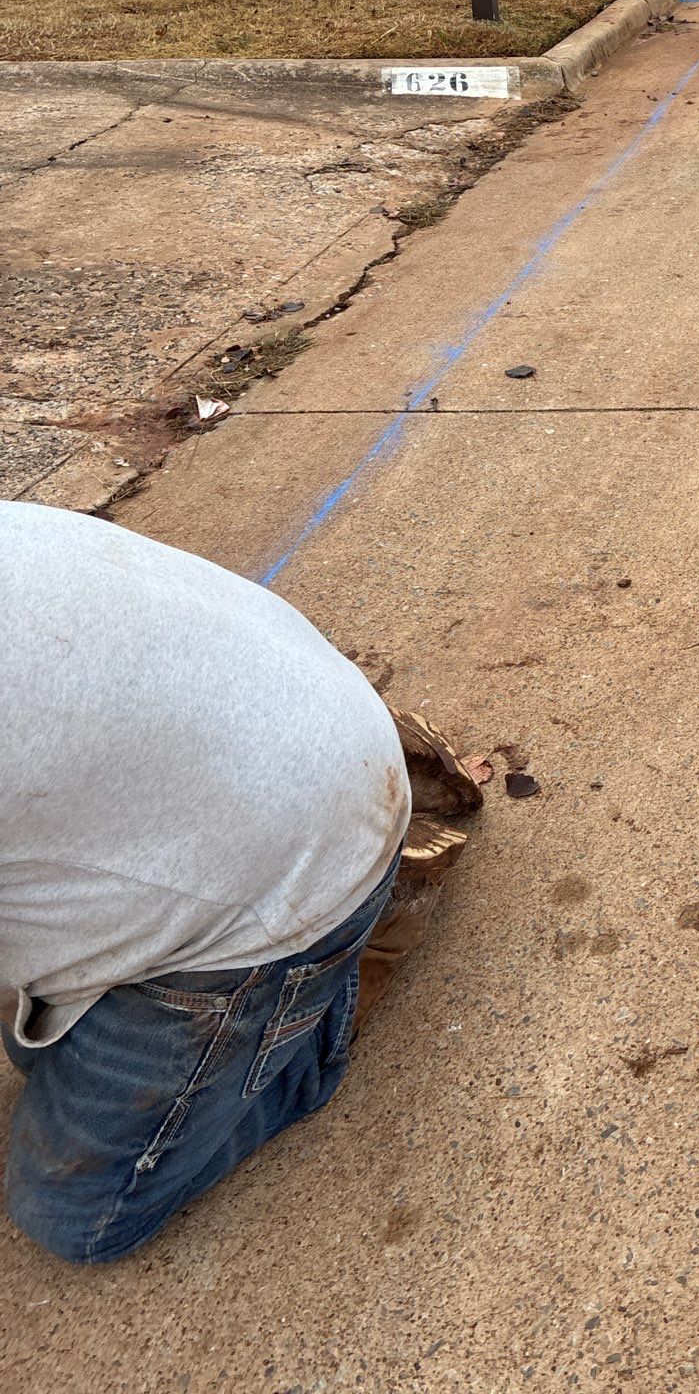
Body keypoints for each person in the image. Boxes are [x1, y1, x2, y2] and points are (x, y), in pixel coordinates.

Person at [0, 501, 479, 1264]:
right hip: (275, 703)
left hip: (285, 868)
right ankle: (344, 801)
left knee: (78, 1216)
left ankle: (341, 959)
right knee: (39, 1057)